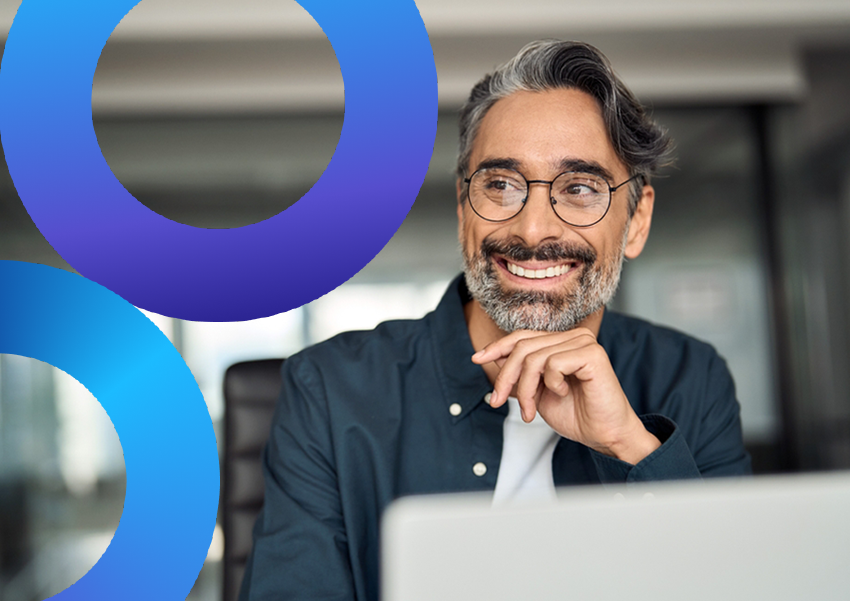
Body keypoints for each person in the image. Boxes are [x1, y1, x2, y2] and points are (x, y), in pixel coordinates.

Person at [239, 39, 751, 601]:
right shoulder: (329, 390)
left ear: (635, 222)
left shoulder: (691, 377)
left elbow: (743, 584)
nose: (533, 232)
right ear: (464, 213)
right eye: (501, 186)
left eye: (579, 189)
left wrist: (635, 449)